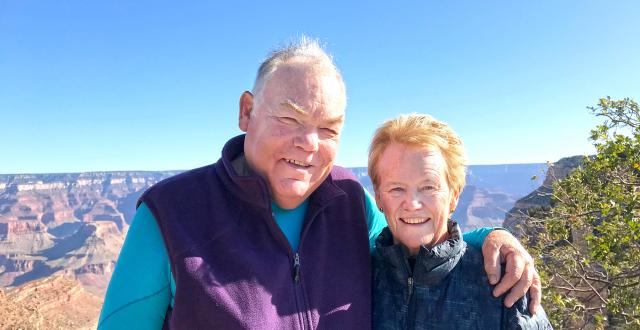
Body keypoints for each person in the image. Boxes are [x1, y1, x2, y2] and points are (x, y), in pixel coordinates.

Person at [98, 37, 541, 329]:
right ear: (247, 112)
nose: (308, 143)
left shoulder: (348, 201)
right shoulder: (171, 214)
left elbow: (414, 239)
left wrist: (492, 237)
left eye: (328, 129)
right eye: (289, 117)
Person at [369, 114, 551, 329]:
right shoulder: (359, 278)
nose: (412, 204)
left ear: (454, 196)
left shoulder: (505, 284)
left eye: (428, 187)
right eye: (397, 188)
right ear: (379, 197)